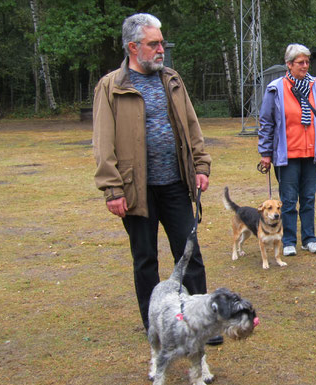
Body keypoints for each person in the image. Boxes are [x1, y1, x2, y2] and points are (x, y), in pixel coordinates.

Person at [92, 13, 221, 345]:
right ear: (134, 47)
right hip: (137, 191)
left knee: (189, 254)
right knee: (146, 260)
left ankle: (202, 322)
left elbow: (192, 128)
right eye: (154, 43)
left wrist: (200, 167)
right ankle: (157, 329)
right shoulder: (111, 86)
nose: (161, 48)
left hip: (176, 185)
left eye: (161, 42)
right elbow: (103, 143)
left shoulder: (172, 80)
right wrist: (112, 189)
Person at [258, 43, 316, 256]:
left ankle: (309, 239)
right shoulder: (276, 88)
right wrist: (265, 153)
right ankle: (288, 241)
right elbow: (266, 122)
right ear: (289, 65)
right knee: (287, 201)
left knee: (308, 198)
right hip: (287, 154)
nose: (305, 66)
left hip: (313, 154)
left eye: (307, 62)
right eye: (300, 62)